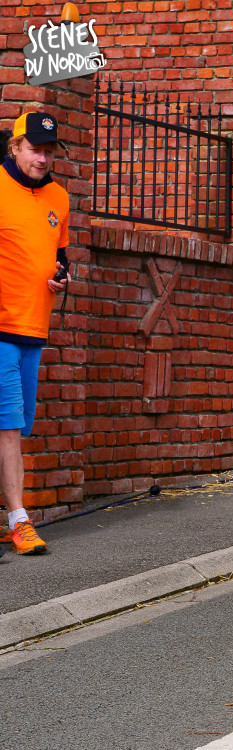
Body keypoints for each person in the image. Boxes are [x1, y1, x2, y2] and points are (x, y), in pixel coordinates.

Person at [0, 111, 72, 555]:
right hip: (1, 325)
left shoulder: (59, 198)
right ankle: (19, 520)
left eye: (48, 151)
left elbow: (61, 256)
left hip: (34, 328)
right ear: (15, 147)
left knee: (16, 427)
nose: (42, 158)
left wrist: (63, 276)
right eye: (34, 149)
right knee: (8, 426)